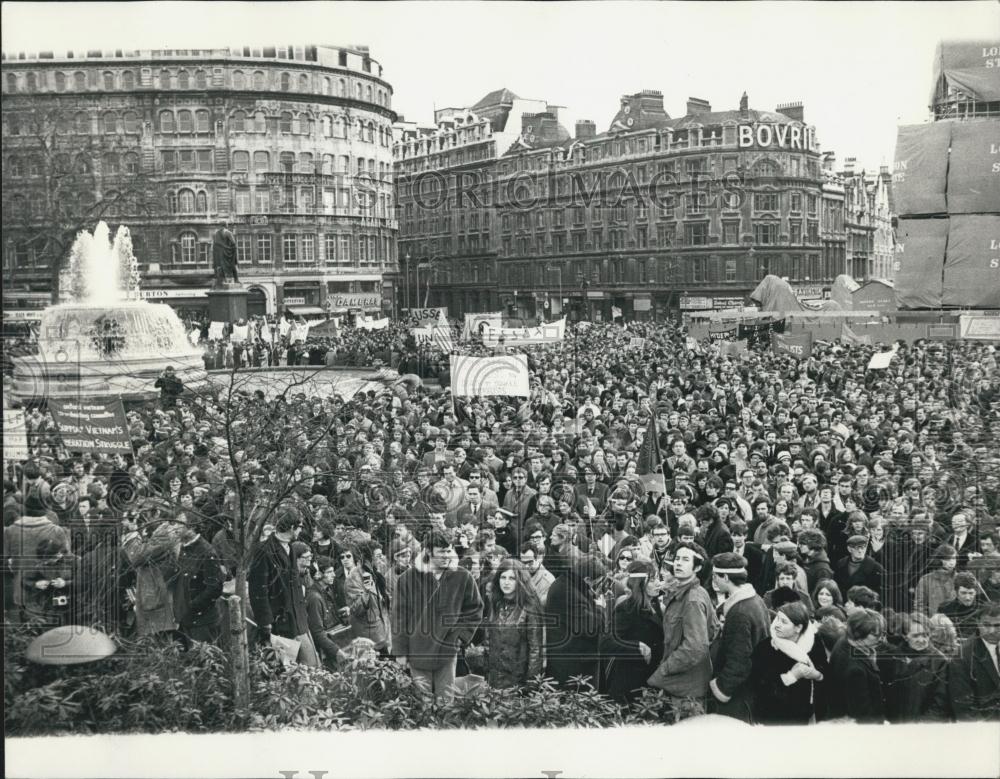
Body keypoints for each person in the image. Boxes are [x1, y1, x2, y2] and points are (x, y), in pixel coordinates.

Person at [391, 530, 484, 703]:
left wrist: (458, 638)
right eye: (441, 552)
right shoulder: (407, 579)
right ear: (427, 552)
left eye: (449, 550)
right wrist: (400, 652)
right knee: (422, 704)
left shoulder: (463, 576)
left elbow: (475, 610)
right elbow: (398, 617)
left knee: (446, 704)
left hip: (447, 653)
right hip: (417, 652)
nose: (447, 556)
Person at [647, 542, 719, 703]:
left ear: (697, 568)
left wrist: (664, 670)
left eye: (686, 559)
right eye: (677, 558)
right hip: (683, 685)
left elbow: (695, 647)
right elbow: (713, 630)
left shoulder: (693, 599)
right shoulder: (690, 593)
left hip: (686, 690)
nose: (678, 562)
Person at [248, 512, 318, 666]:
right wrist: (265, 622)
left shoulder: (291, 548)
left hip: (298, 619)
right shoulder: (264, 551)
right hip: (280, 623)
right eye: (299, 527)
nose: (301, 531)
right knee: (286, 670)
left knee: (311, 665)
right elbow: (258, 590)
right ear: (292, 528)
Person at [708, 552, 770, 722]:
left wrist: (721, 689)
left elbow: (740, 661)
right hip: (753, 687)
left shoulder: (739, 613)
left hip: (738, 696)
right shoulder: (755, 600)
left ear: (726, 577)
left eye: (715, 576)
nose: (714, 580)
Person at [749, 601, 825, 725]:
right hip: (772, 718)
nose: (777, 625)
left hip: (803, 716)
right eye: (777, 619)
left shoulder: (814, 644)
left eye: (784, 622)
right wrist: (791, 676)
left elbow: (825, 673)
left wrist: (816, 675)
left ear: (798, 628)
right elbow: (759, 687)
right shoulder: (765, 647)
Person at [599, 559, 664, 704]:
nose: (658, 583)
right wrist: (637, 646)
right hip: (629, 682)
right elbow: (606, 642)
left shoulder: (655, 604)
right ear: (640, 583)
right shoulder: (627, 608)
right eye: (652, 580)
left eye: (658, 578)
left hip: (649, 679)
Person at [544, 553, 608, 687]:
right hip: (573, 669)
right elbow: (591, 627)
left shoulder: (568, 583)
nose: (598, 586)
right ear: (587, 579)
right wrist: (601, 608)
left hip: (573, 663)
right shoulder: (568, 592)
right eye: (597, 582)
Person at [479, 558, 543, 689]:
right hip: (494, 678)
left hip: (518, 679)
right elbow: (488, 640)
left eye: (512, 578)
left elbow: (536, 649)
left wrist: (531, 683)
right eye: (503, 577)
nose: (506, 582)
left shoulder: (530, 606)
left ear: (520, 581)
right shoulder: (495, 603)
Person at [880, 612, 948, 723]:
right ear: (905, 636)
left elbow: (941, 701)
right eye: (916, 636)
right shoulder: (892, 657)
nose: (921, 640)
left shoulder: (939, 661)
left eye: (925, 635)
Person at [827, 608, 887, 723]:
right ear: (858, 633)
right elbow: (862, 714)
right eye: (875, 635)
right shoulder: (855, 670)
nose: (881, 639)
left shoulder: (844, 641)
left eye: (882, 634)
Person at [943, 601, 1000, 721]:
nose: (991, 631)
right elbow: (964, 710)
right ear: (977, 623)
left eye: (997, 625)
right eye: (986, 625)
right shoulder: (962, 656)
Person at [172, 519, 224, 643]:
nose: (174, 528)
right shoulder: (184, 548)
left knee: (204, 660)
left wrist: (192, 606)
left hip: (202, 623)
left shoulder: (206, 552)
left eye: (179, 524)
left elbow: (214, 589)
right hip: (186, 620)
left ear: (192, 528)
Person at [834, 534, 886, 602]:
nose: (860, 551)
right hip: (845, 605)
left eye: (863, 547)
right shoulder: (841, 564)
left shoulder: (876, 568)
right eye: (857, 548)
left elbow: (881, 595)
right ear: (849, 549)